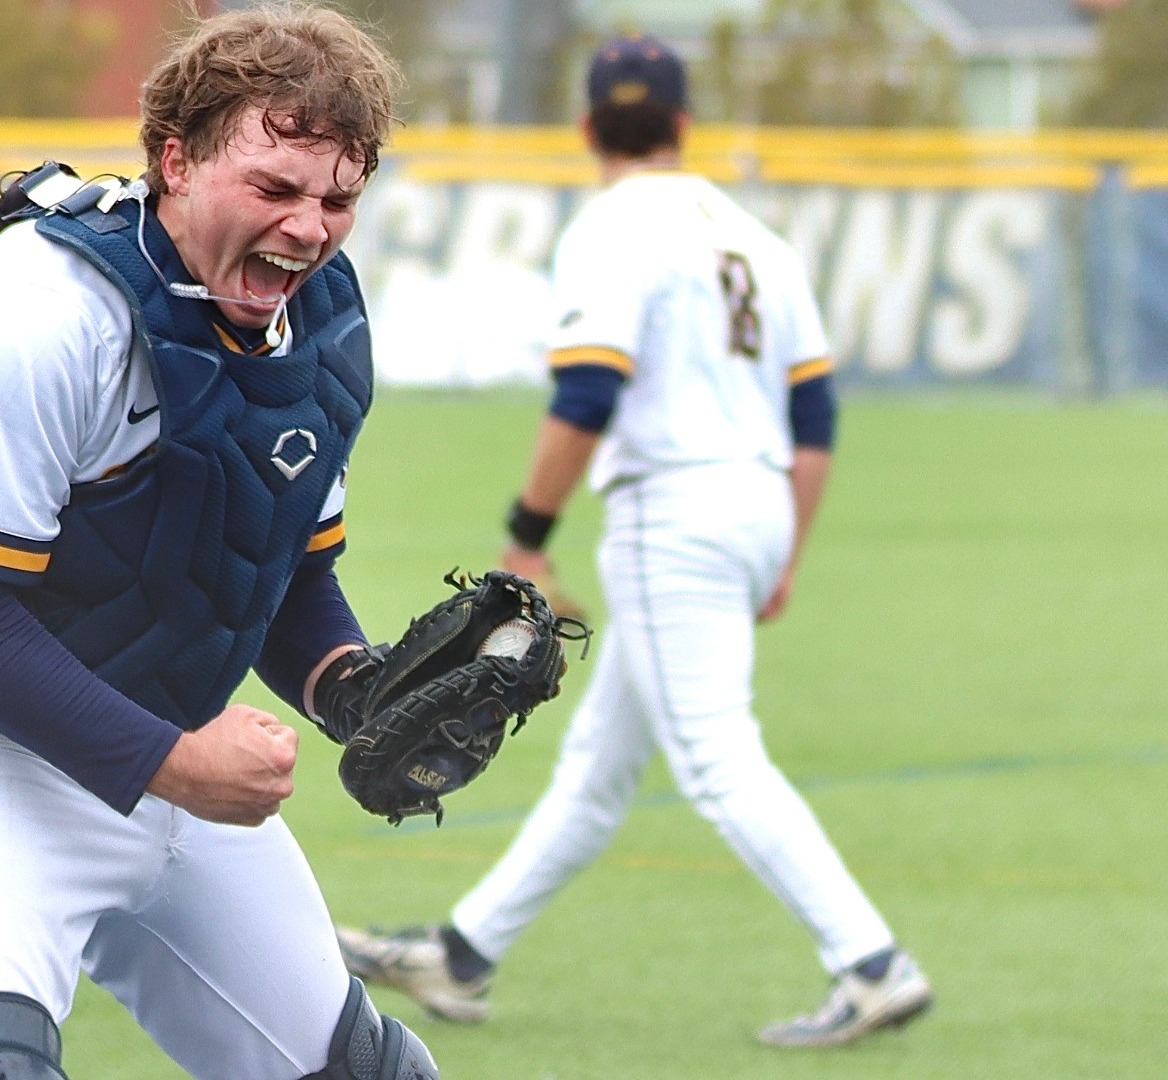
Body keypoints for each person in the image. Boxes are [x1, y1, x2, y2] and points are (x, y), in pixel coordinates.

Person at [0, 6, 440, 1078]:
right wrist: (175, 764)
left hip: (181, 749)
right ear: (175, 159)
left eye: (338, 199)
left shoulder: (320, 326)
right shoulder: (39, 312)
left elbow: (280, 579)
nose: (310, 228)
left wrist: (359, 691)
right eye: (274, 189)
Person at [336, 34, 933, 1049]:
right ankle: (463, 955)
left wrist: (527, 535)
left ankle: (870, 962)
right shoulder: (755, 238)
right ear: (684, 125)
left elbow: (588, 388)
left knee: (713, 754)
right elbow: (817, 417)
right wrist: (785, 546)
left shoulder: (613, 227)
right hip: (754, 501)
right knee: (601, 770)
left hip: (673, 512)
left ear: (586, 129)